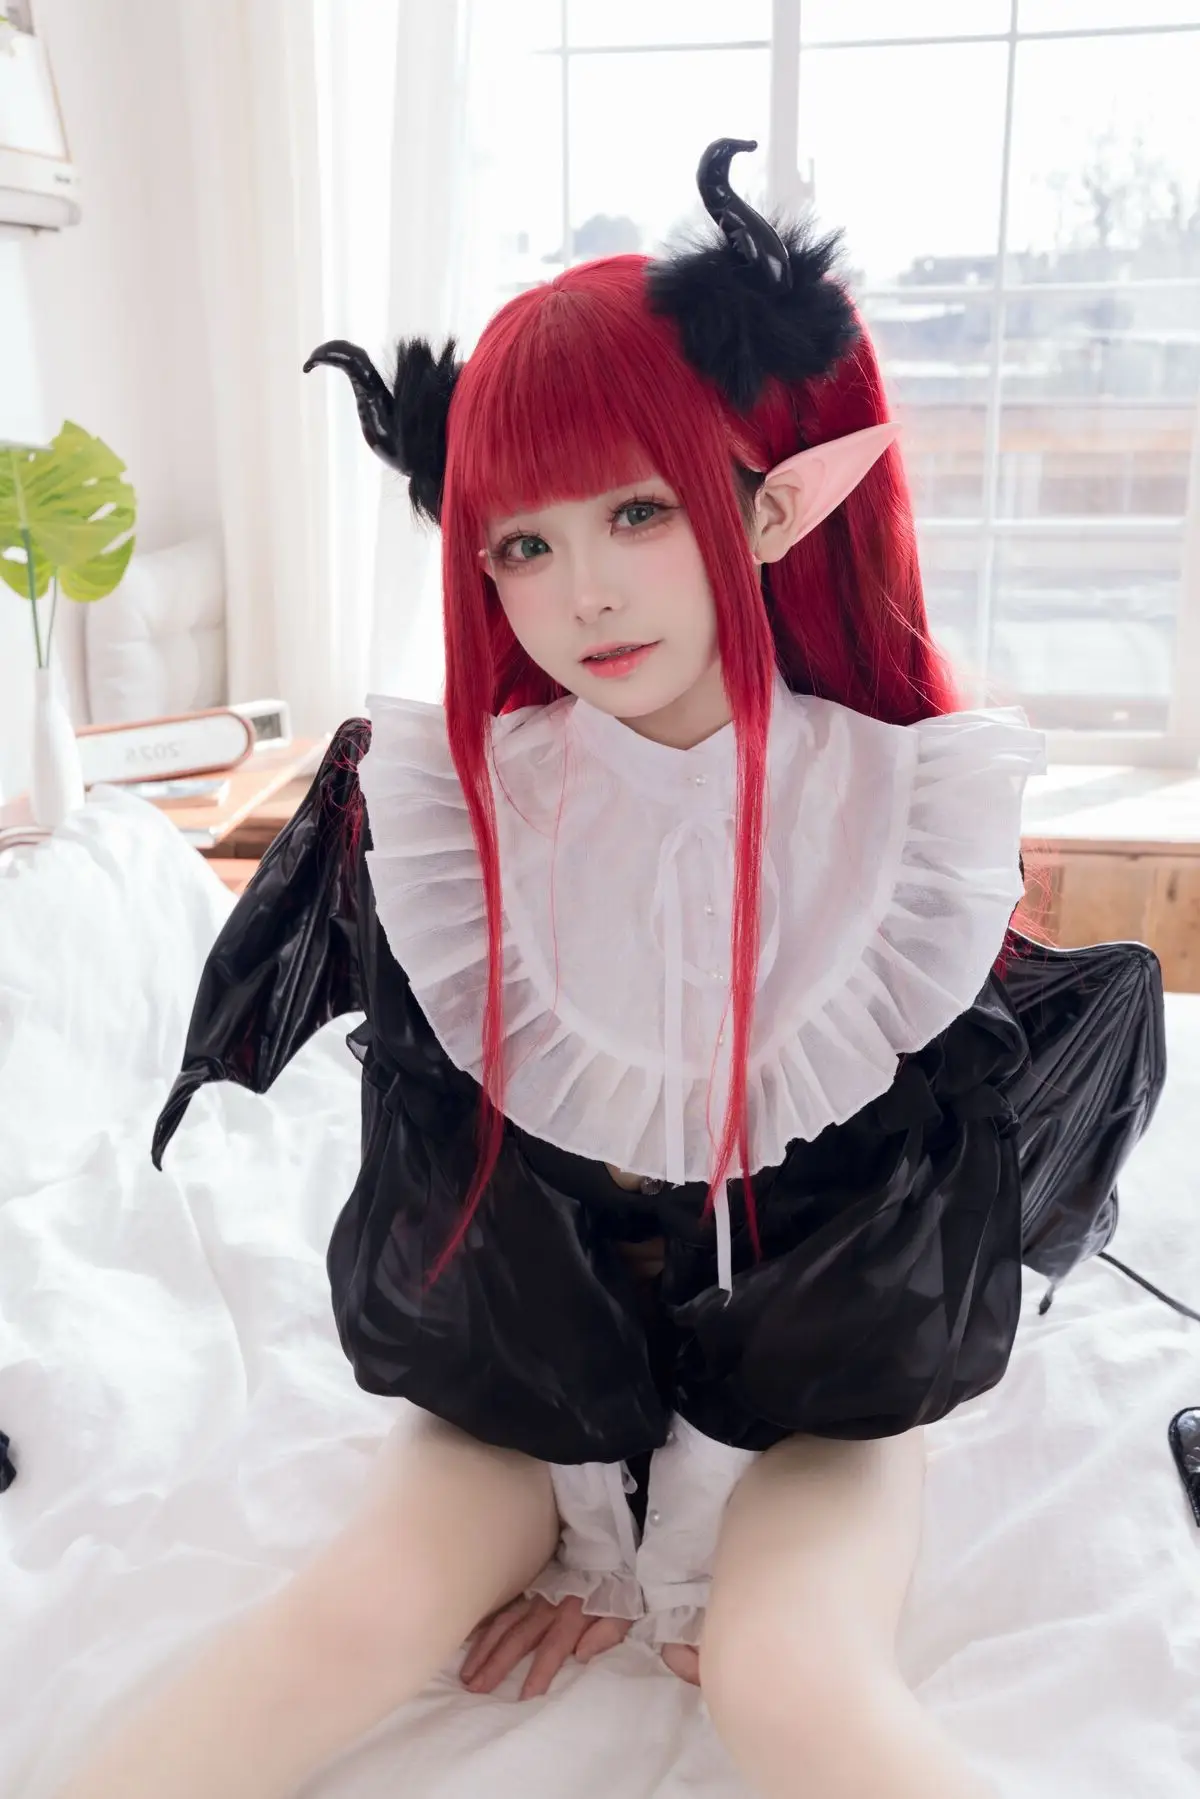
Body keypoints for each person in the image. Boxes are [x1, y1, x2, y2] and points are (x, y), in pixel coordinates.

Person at [51, 139, 1168, 1799]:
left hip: (821, 1370)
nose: (582, 592)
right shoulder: (461, 817)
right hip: (528, 1354)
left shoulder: (895, 818)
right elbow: (469, 1180)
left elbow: (886, 1216)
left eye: (637, 511)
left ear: (764, 502)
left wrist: (695, 1533)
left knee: (789, 1682)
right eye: (521, 543)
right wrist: (590, 1507)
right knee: (348, 1617)